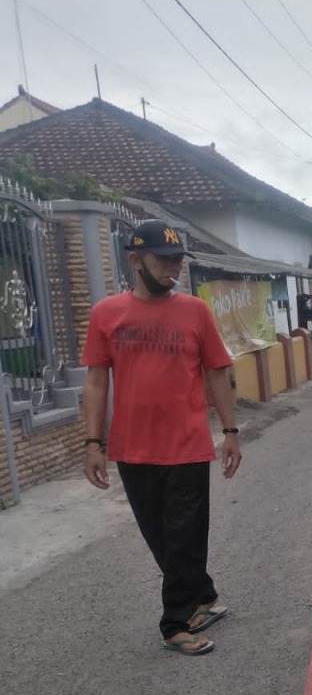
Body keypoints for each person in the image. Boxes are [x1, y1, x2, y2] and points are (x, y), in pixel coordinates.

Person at [81, 219, 241, 656]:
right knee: (160, 536)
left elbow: (217, 372)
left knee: (185, 534)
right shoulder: (106, 314)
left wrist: (230, 432)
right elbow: (96, 381)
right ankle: (202, 595)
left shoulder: (195, 312)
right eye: (164, 260)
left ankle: (175, 624)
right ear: (135, 260)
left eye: (177, 261)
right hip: (132, 448)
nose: (174, 269)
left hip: (187, 444)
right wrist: (92, 443)